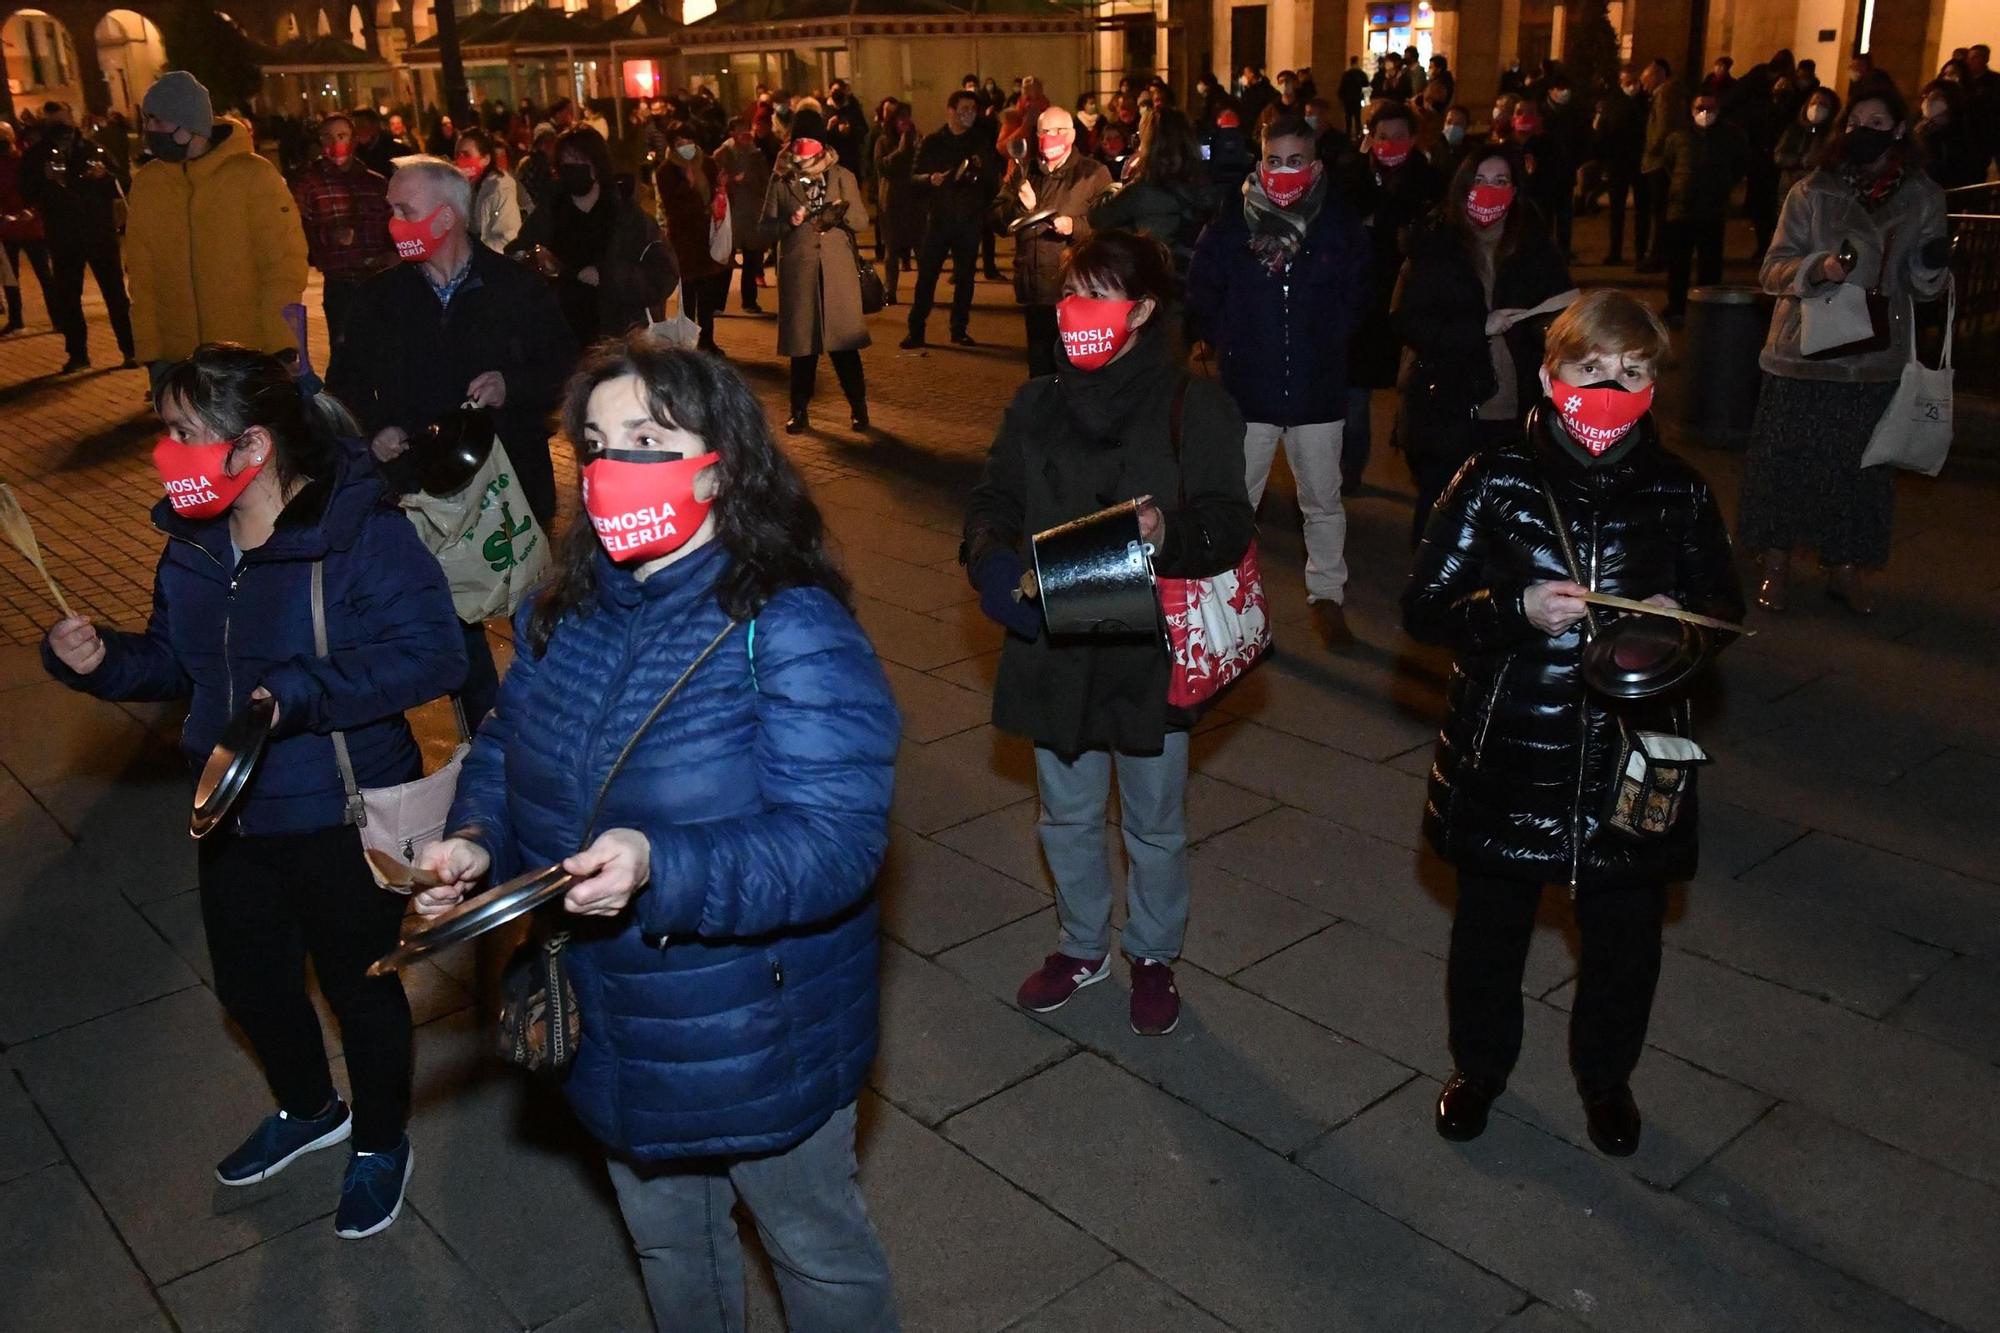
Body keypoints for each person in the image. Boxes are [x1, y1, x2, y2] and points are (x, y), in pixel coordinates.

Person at [412, 336, 901, 1333]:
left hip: (756, 1029)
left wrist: (659, 867)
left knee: (813, 1247)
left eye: (646, 436)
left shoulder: (788, 623)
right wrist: (472, 844)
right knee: (670, 1242)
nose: (611, 464)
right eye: (596, 442)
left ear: (721, 459)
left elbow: (835, 843)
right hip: (612, 1017)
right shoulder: (565, 609)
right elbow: (508, 752)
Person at [41, 343, 463, 1237]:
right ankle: (313, 1108)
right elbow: (177, 662)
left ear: (253, 446)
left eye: (187, 434)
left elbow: (437, 653)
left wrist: (307, 690)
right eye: (167, 432)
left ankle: (381, 1141)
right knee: (250, 985)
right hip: (232, 807)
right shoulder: (194, 541)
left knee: (361, 988)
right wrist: (100, 660)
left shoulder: (358, 532)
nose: (168, 453)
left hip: (337, 810)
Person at [1403, 289, 1745, 1159]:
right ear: (1553, 376)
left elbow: (1723, 611)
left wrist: (1683, 625)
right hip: (1513, 746)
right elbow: (1425, 605)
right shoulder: (1492, 478)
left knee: (1627, 945)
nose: (1611, 388)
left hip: (1632, 758)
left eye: (1631, 372)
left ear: (1653, 385)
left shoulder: (1679, 491)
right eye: (1593, 370)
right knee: (1490, 933)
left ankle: (1607, 1081)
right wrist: (1515, 608)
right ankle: (1479, 1070)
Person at [963, 229, 1252, 1036]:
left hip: (1147, 646)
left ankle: (1153, 952)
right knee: (1066, 812)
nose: (1074, 312)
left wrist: (1170, 532)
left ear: (1143, 309)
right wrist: (991, 572)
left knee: (1155, 817)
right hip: (1054, 639)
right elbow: (991, 502)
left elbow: (1229, 523)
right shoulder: (1037, 401)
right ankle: (1082, 943)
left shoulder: (1192, 404)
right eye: (1068, 294)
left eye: (1095, 295)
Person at [327, 155, 579, 724]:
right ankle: (484, 735)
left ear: (446, 219)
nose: (391, 222)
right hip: (421, 495)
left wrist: (510, 386)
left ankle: (555, 721)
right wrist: (373, 435)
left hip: (510, 488)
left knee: (533, 614)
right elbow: (341, 389)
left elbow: (567, 370)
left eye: (403, 210)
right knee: (451, 620)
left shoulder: (516, 289)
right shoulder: (378, 299)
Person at [1738, 82, 1950, 616]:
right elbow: (1772, 270)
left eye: (1879, 123)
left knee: (1862, 471)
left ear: (1900, 130)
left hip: (1875, 356)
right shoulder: (1812, 191)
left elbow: (1926, 289)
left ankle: (1846, 566)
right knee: (1785, 463)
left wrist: (1930, 263)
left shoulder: (1923, 196)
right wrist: (1821, 268)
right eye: (1857, 122)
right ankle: (1776, 561)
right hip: (1804, 351)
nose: (1865, 132)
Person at [1187, 114, 1365, 648]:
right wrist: (1230, 340)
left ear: (1313, 166)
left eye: (1294, 161)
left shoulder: (1337, 225)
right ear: (1258, 161)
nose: (1282, 172)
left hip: (1317, 390)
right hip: (1249, 391)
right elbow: (1203, 289)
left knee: (1323, 502)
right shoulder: (1230, 224)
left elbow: (1358, 297)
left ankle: (1327, 595)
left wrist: (1327, 341)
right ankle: (1225, 597)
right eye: (1273, 160)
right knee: (1239, 499)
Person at [1392, 144, 1574, 544]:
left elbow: (1562, 316)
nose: (1489, 191)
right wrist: (1478, 327)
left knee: (1508, 516)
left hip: (1519, 407)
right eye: (1479, 181)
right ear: (1462, 186)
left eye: (1501, 181)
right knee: (1443, 511)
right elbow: (1408, 322)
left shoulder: (1535, 246)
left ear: (1515, 189)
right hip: (1450, 404)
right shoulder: (1434, 243)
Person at [127, 72, 309, 381]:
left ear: (190, 125)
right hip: (176, 359)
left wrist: (281, 345)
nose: (149, 131)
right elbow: (141, 275)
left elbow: (283, 265)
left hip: (244, 355)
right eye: (147, 121)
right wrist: (150, 351)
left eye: (158, 122)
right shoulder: (149, 183)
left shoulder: (253, 176)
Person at [1341, 101, 1443, 496]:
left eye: (1399, 136)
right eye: (1383, 136)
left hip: (1413, 301)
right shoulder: (1352, 178)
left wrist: (1379, 226)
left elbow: (1429, 237)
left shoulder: (1430, 182)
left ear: (1413, 139)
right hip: (1362, 303)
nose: (1390, 144)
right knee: (1354, 401)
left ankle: (1425, 475)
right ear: (1371, 138)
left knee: (1416, 393)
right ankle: (1351, 471)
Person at [761, 107, 872, 433]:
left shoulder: (842, 176)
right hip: (800, 269)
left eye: (812, 140)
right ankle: (798, 410)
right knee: (803, 348)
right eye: (800, 140)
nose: (806, 147)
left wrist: (841, 214)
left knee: (844, 346)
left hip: (836, 269)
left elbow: (863, 221)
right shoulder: (782, 177)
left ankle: (859, 408)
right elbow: (764, 227)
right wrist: (788, 222)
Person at [513, 126, 673, 348]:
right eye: (565, 163)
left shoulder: (626, 216)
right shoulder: (550, 211)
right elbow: (516, 254)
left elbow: (663, 274)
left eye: (578, 162)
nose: (571, 169)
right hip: (561, 338)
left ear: (597, 166)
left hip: (617, 338)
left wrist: (607, 276)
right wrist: (536, 261)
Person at [18, 101, 136, 372]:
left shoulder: (92, 148)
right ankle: (77, 354)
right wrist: (44, 178)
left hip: (99, 233)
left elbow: (122, 182)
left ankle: (129, 349)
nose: (60, 129)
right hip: (63, 236)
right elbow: (28, 193)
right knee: (69, 297)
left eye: (63, 121)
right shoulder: (37, 156)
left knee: (115, 295)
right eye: (53, 123)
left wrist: (104, 176)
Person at [995, 106, 1111, 377]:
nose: (1051, 137)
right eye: (1045, 132)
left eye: (1058, 131)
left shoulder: (1093, 173)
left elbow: (1108, 226)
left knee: (1076, 368)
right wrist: (1020, 207)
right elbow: (996, 219)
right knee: (1040, 368)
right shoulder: (1025, 173)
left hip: (1076, 291)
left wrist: (1075, 226)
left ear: (1071, 135)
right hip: (1036, 289)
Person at [292, 112, 395, 347]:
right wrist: (330, 237)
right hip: (342, 283)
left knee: (385, 351)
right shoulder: (309, 184)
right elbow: (297, 232)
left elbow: (392, 224)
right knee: (346, 354)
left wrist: (395, 253)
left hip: (378, 280)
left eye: (342, 136)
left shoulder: (375, 183)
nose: (335, 144)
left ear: (354, 139)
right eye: (327, 137)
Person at [1085, 105, 1213, 272]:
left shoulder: (1142, 190)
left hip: (1156, 279)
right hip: (1195, 277)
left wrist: (1118, 185)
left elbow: (1097, 217)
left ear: (1147, 143)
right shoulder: (1203, 183)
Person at [1659, 92, 1748, 323]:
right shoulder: (1680, 135)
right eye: (1700, 108)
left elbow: (1739, 164)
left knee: (1710, 264)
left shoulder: (1728, 136)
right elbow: (1668, 162)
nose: (1704, 113)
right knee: (1679, 263)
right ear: (1692, 109)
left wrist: (1724, 185)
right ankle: (1676, 306)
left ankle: (1706, 306)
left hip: (1712, 209)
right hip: (1681, 209)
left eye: (1710, 108)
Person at [655, 121, 730, 353]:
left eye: (688, 141)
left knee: (707, 293)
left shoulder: (708, 164)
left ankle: (707, 338)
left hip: (707, 237)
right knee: (688, 293)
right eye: (679, 143)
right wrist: (687, 185)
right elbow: (671, 205)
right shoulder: (666, 171)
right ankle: (688, 340)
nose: (685, 146)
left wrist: (721, 190)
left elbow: (719, 192)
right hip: (684, 239)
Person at [0, 121, 54, 335]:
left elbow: (39, 190)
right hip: (8, 227)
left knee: (45, 274)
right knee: (10, 277)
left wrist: (32, 210)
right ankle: (16, 318)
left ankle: (58, 317)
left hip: (31, 226)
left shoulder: (25, 160)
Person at [714, 117, 772, 313]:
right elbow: (716, 182)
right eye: (740, 130)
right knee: (725, 260)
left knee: (752, 257)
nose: (745, 134)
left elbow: (765, 181)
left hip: (751, 212)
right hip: (730, 213)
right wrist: (732, 181)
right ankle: (717, 303)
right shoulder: (722, 154)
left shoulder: (756, 154)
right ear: (732, 133)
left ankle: (749, 301)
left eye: (747, 129)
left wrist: (749, 181)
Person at [1636, 59, 1688, 272]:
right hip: (1660, 160)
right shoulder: (1668, 94)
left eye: (1646, 79)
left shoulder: (1665, 95)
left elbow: (1663, 128)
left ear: (1657, 75)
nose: (1644, 84)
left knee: (1660, 212)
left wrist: (1652, 148)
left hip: (1658, 163)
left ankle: (1659, 255)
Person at [871, 101, 923, 304]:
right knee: (891, 248)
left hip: (914, 199)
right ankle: (890, 289)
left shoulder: (916, 139)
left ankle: (923, 288)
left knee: (920, 245)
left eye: (907, 118)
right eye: (901, 118)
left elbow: (922, 163)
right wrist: (899, 151)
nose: (905, 122)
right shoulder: (883, 141)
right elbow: (881, 166)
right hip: (892, 200)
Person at [1598, 70, 1650, 263]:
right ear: (1621, 82)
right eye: (1628, 82)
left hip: (1641, 163)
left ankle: (1640, 252)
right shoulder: (1612, 102)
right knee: (1616, 212)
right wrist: (1604, 161)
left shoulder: (1646, 101)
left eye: (1635, 81)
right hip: (1617, 162)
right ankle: (1615, 252)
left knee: (1642, 211)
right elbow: (1604, 132)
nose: (1632, 85)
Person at [454, 127, 522, 250]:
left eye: (466, 155)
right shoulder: (461, 187)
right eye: (458, 154)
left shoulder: (500, 188)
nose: (460, 160)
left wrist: (472, 255)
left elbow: (507, 238)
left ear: (485, 159)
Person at [1914, 80, 1984, 188]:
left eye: (1935, 98)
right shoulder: (1919, 128)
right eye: (1926, 96)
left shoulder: (1962, 132)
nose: (1927, 101)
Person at [1773, 87, 1840, 198]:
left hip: (1818, 193)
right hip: (1789, 188)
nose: (1817, 107)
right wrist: (1799, 160)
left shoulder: (1833, 135)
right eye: (1813, 103)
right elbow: (1779, 156)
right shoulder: (1794, 129)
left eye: (1823, 104)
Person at [1338, 58, 1368, 139]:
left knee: (1348, 118)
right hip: (1357, 99)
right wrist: (1367, 100)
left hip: (1348, 100)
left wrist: (1341, 98)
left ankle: (1348, 135)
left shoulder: (1346, 74)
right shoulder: (1361, 74)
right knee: (1358, 118)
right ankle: (1358, 135)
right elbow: (1366, 88)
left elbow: (1342, 88)